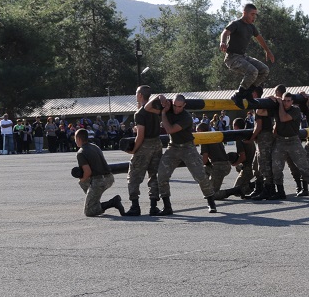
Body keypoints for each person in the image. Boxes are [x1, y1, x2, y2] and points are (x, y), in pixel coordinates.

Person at [145, 94, 219, 214]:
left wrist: (163, 114)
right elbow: (147, 108)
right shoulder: (168, 108)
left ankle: (211, 202)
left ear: (184, 105)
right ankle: (167, 206)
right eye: (174, 105)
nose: (176, 108)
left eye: (179, 106)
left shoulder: (186, 117)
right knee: (162, 175)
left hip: (187, 147)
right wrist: (159, 97)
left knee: (200, 175)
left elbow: (170, 130)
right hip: (173, 146)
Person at [219, 3, 275, 108]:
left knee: (264, 70)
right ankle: (238, 95)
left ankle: (248, 92)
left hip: (243, 56)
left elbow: (259, 38)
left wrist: (268, 51)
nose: (254, 17)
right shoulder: (236, 24)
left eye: (255, 15)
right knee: (253, 71)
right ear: (245, 13)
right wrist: (223, 42)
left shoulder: (251, 27)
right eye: (252, 14)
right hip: (232, 58)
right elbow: (225, 32)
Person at [270, 92, 309, 199]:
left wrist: (280, 104)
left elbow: (283, 118)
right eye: (284, 100)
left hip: (293, 141)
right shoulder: (278, 108)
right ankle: (280, 191)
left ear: (292, 101)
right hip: (280, 141)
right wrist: (270, 98)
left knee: (303, 166)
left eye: (288, 101)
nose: (286, 103)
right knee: (276, 167)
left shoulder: (295, 110)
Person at [125, 85, 163, 217]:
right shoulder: (155, 110)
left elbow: (140, 135)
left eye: (137, 93)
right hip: (157, 144)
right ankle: (154, 206)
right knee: (153, 175)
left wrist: (134, 150)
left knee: (134, 176)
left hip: (145, 145)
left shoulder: (140, 113)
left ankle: (135, 206)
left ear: (140, 95)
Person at [74, 128, 125, 217]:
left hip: (99, 181)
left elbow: (87, 172)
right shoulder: (95, 146)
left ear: (78, 139)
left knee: (89, 211)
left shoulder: (81, 152)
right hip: (109, 178)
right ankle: (93, 200)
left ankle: (113, 202)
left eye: (75, 138)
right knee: (84, 183)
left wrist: (81, 179)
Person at [197, 122, 232, 193]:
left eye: (197, 131)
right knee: (204, 170)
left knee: (212, 193)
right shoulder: (214, 136)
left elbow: (204, 159)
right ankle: (208, 183)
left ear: (200, 131)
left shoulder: (204, 140)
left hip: (219, 167)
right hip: (226, 165)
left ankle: (232, 191)